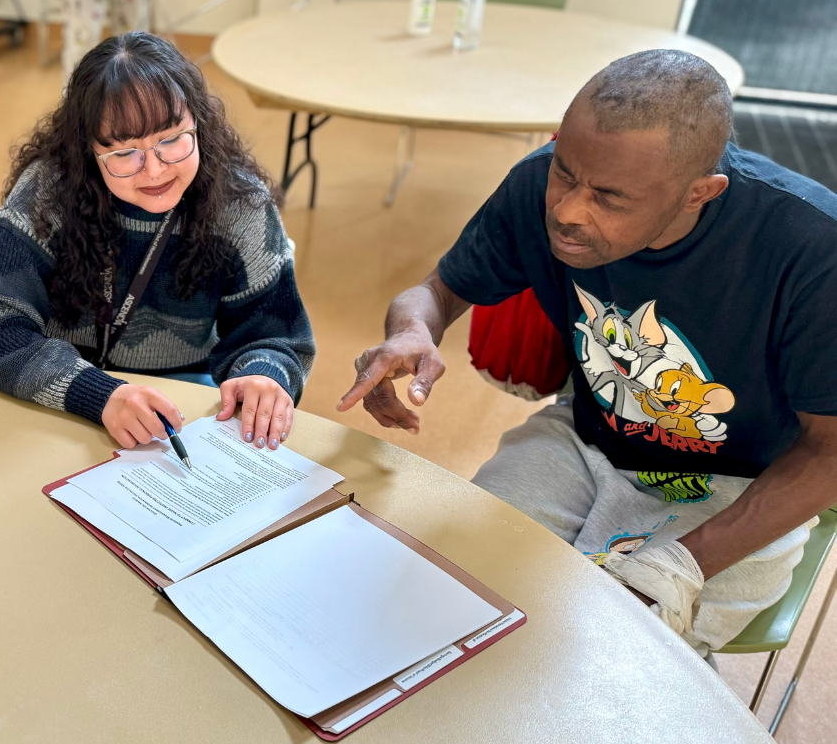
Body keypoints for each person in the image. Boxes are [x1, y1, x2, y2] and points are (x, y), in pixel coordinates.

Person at [339, 49, 837, 656]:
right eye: (567, 175)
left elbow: (829, 453)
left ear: (699, 193)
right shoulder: (538, 183)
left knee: (610, 656)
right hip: (586, 436)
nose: (568, 211)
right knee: (453, 594)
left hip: (741, 479)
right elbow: (435, 291)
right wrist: (413, 330)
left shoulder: (811, 249)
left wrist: (682, 564)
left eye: (609, 198)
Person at [0, 32, 314, 451]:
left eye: (171, 139)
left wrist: (265, 375)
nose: (155, 170)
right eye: (124, 153)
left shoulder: (241, 206)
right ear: (89, 151)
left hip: (180, 405)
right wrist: (96, 393)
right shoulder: (47, 195)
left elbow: (276, 336)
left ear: (198, 121)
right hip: (61, 400)